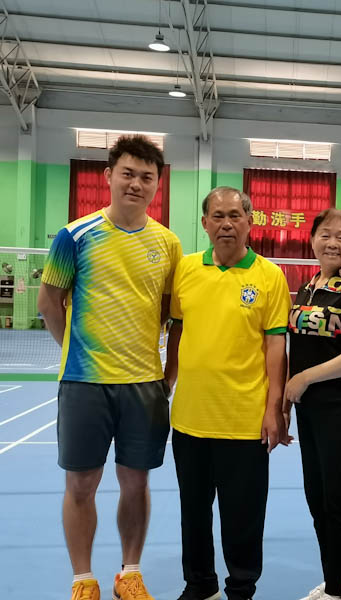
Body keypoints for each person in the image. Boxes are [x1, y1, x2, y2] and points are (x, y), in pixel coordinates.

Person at [38, 135, 181, 600]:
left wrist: (168, 372)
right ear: (108, 176)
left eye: (146, 177)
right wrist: (75, 351)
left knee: (135, 482)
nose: (136, 184)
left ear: (157, 184)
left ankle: (130, 573)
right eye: (128, 174)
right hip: (85, 383)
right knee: (81, 483)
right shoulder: (75, 235)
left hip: (143, 384)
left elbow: (169, 313)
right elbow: (49, 303)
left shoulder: (168, 243)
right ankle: (83, 578)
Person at [164, 187, 291, 600]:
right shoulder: (186, 269)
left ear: (250, 221)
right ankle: (199, 584)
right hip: (190, 419)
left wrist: (275, 409)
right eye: (218, 216)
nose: (226, 224)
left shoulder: (269, 276)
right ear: (205, 223)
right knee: (193, 512)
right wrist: (168, 379)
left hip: (244, 420)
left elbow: (276, 346)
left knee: (243, 516)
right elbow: (178, 328)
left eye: (235, 215)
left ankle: (241, 588)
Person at [285, 209, 341, 600]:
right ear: (312, 240)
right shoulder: (307, 289)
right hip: (309, 411)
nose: (332, 243)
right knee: (318, 500)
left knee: (340, 502)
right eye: (325, 235)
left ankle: (340, 591)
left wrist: (305, 378)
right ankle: (332, 580)